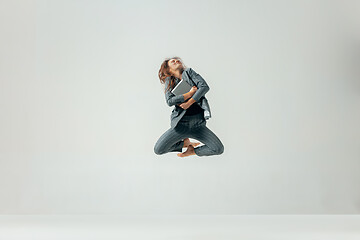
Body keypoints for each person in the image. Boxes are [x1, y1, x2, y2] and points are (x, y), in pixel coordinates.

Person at [154, 57, 224, 157]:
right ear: (169, 70)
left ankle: (192, 151)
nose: (176, 61)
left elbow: (204, 87)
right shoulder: (169, 81)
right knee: (158, 149)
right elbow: (169, 101)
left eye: (177, 60)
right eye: (172, 62)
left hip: (198, 125)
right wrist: (189, 93)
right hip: (180, 126)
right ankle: (184, 144)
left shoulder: (189, 72)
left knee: (218, 149)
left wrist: (189, 102)